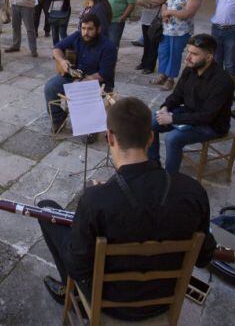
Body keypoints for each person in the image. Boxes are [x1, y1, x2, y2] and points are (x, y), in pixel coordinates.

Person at [38, 96, 216, 322]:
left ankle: (73, 296)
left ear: (110, 137)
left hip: (109, 303)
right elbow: (203, 257)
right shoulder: (193, 192)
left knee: (46, 210)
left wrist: (99, 200)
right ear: (151, 138)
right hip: (163, 299)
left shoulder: (94, 200)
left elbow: (78, 266)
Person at [149, 34, 234, 173]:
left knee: (172, 139)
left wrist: (173, 118)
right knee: (149, 122)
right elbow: (177, 95)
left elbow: (207, 116)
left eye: (194, 54)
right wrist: (165, 107)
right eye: (188, 52)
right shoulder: (190, 69)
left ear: (209, 57)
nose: (188, 57)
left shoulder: (222, 81)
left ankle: (170, 178)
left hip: (211, 125)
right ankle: (153, 166)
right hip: (189, 113)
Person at [45, 13, 118, 133]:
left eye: (90, 29)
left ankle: (90, 128)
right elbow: (56, 48)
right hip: (75, 76)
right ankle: (58, 118)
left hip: (97, 82)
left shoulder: (108, 47)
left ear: (98, 29)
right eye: (83, 28)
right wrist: (62, 61)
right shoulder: (77, 36)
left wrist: (81, 83)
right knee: (50, 87)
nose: (85, 32)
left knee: (80, 95)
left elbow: (103, 74)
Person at [153, 0, 203, 91]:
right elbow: (165, 3)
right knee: (163, 52)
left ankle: (170, 79)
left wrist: (169, 12)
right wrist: (164, 13)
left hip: (180, 31)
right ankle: (163, 75)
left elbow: (188, 13)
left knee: (174, 55)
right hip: (167, 29)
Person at [136, 0, 174, 74]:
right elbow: (138, 0)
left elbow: (160, 0)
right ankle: (143, 63)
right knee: (146, 42)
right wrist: (150, 2)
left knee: (153, 43)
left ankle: (150, 66)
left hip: (156, 20)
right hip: (146, 18)